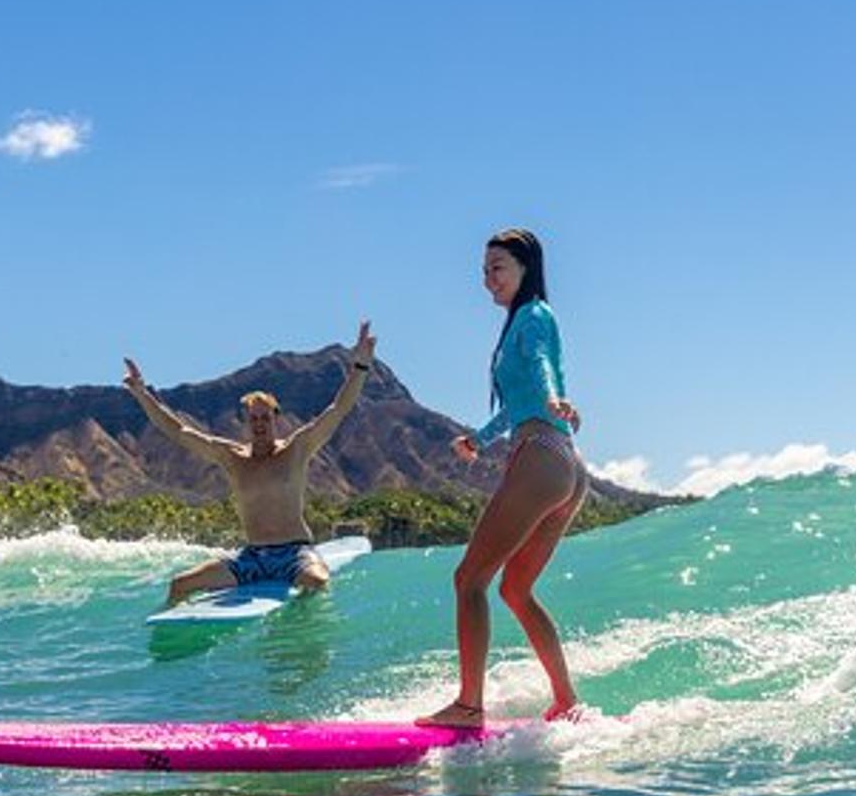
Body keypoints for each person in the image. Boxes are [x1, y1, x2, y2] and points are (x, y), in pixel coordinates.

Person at [418, 229, 588, 728]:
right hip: (562, 464)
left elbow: (541, 372)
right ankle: (565, 700)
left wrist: (557, 398)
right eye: (484, 270)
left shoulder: (533, 314)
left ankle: (469, 706)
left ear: (524, 269)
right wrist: (480, 438)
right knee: (515, 589)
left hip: (542, 456)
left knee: (469, 579)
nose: (487, 279)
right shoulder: (520, 321)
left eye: (497, 267)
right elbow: (519, 404)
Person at [124, 321, 377, 604]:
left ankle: (299, 636)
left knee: (317, 582)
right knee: (180, 584)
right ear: (246, 421)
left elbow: (338, 409)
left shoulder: (297, 449)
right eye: (253, 418)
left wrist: (360, 367)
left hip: (294, 554)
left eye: (265, 418)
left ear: (275, 419)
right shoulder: (232, 457)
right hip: (251, 557)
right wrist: (141, 394)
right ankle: (172, 641)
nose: (259, 424)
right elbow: (179, 431)